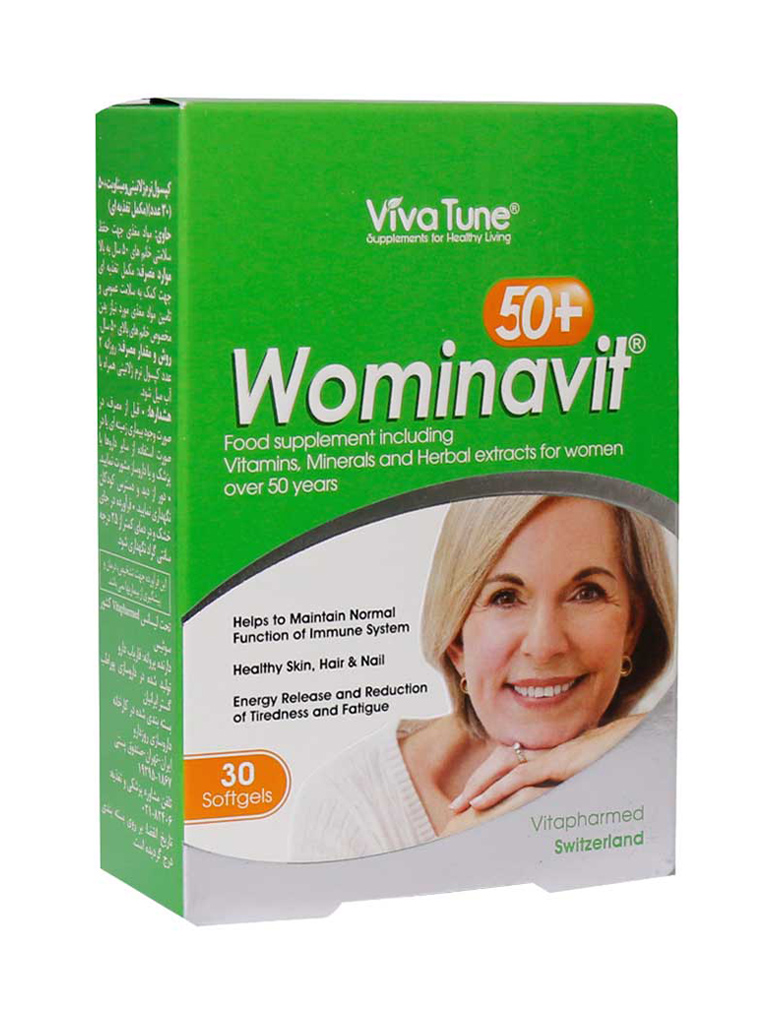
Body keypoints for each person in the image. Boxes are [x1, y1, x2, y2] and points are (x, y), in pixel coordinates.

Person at [289, 494, 675, 861]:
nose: (544, 646)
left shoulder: (670, 758)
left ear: (632, 628)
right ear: (456, 641)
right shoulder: (350, 808)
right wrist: (454, 862)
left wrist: (666, 739)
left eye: (587, 593)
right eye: (505, 597)